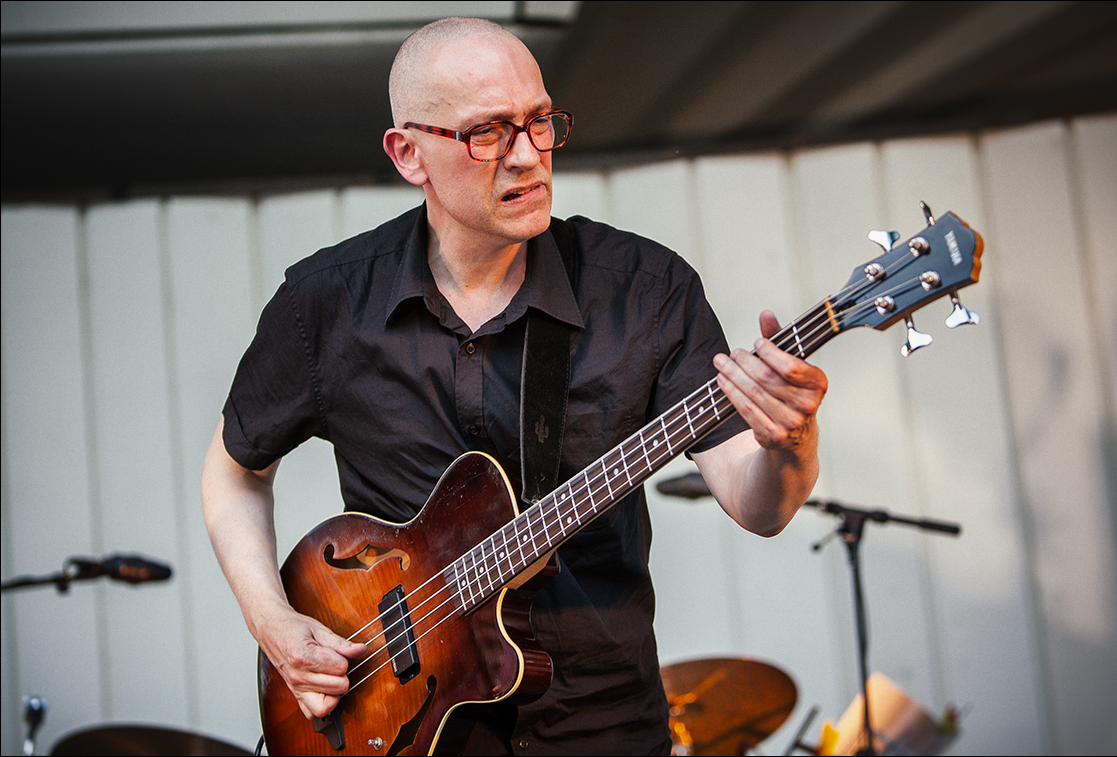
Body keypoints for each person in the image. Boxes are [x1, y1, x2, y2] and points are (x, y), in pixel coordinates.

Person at [201, 16, 827, 756]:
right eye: (489, 132)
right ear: (409, 153)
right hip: (405, 730)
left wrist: (790, 440)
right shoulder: (326, 304)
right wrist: (271, 620)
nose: (529, 156)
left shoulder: (645, 289)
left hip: (605, 725)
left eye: (539, 121)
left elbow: (757, 506)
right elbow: (234, 473)